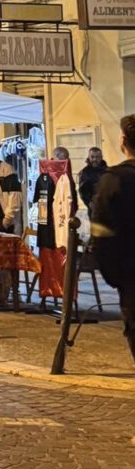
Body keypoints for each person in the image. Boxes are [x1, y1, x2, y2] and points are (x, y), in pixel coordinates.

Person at [91, 115, 135, 362]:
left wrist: (115, 276)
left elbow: (102, 233)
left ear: (123, 141)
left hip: (131, 275)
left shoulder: (115, 180)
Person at [78, 147, 108, 218]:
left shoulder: (108, 171)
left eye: (97, 157)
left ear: (101, 157)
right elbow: (82, 192)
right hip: (93, 209)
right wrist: (89, 203)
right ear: (89, 157)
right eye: (92, 157)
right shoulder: (84, 173)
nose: (94, 159)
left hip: (108, 208)